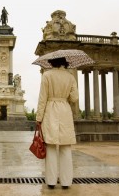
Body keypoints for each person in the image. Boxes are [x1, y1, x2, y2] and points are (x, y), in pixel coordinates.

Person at [36, 57, 79, 190]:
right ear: (65, 63)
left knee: (51, 147)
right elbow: (74, 98)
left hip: (50, 110)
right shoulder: (70, 77)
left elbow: (42, 98)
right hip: (64, 110)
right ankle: (66, 182)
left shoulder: (47, 75)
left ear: (52, 62)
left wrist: (39, 117)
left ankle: (51, 181)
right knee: (66, 148)